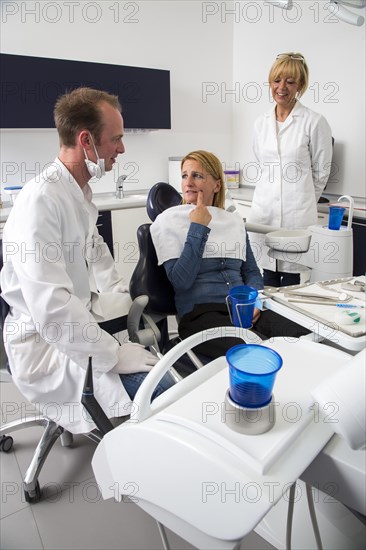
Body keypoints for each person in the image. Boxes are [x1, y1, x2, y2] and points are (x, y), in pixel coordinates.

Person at [1, 87, 173, 434]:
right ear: (86, 141)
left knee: (155, 348)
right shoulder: (41, 201)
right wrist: (113, 353)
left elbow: (97, 252)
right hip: (43, 343)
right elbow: (51, 308)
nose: (121, 149)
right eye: (116, 139)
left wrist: (123, 298)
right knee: (160, 391)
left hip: (76, 319)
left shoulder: (76, 192)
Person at [150, 150, 309, 359]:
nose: (188, 182)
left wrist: (255, 303)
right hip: (200, 315)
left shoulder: (232, 221)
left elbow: (251, 271)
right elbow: (181, 282)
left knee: (303, 337)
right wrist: (198, 227)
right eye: (184, 176)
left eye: (197, 175)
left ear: (216, 185)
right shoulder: (168, 221)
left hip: (243, 310)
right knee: (254, 352)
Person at [248, 52, 333, 287]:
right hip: (263, 214)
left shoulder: (314, 122)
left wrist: (303, 200)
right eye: (277, 80)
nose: (282, 87)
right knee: (264, 278)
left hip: (297, 217)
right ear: (270, 83)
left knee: (291, 283)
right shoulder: (260, 123)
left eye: (290, 81)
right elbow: (262, 163)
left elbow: (321, 172)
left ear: (301, 85)